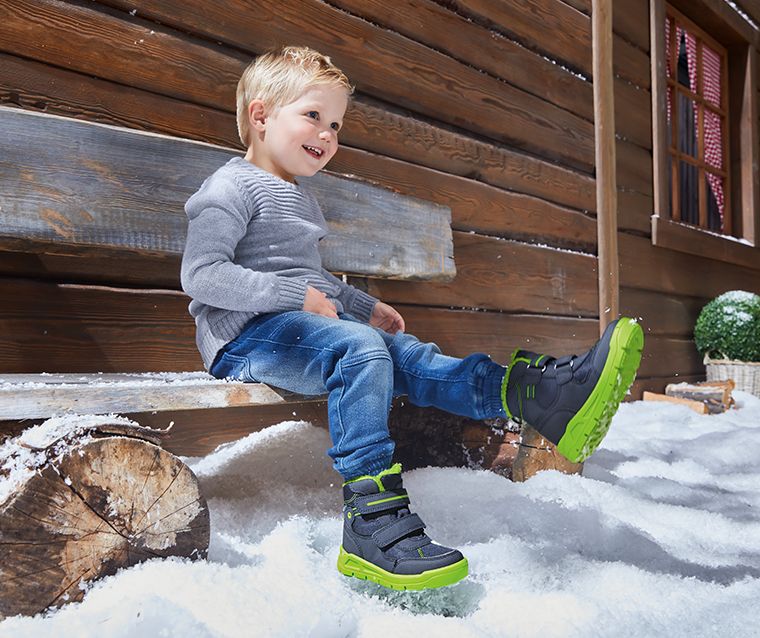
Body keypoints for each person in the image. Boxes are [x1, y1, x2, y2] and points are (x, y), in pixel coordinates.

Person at [180, 46, 644, 591]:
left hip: (300, 332)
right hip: (244, 340)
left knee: (409, 355)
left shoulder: (301, 198)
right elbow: (202, 274)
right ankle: (372, 518)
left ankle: (537, 396)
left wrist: (361, 306)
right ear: (260, 117)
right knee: (360, 349)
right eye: (313, 116)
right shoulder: (229, 186)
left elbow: (316, 279)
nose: (327, 135)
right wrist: (296, 295)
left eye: (336, 125)